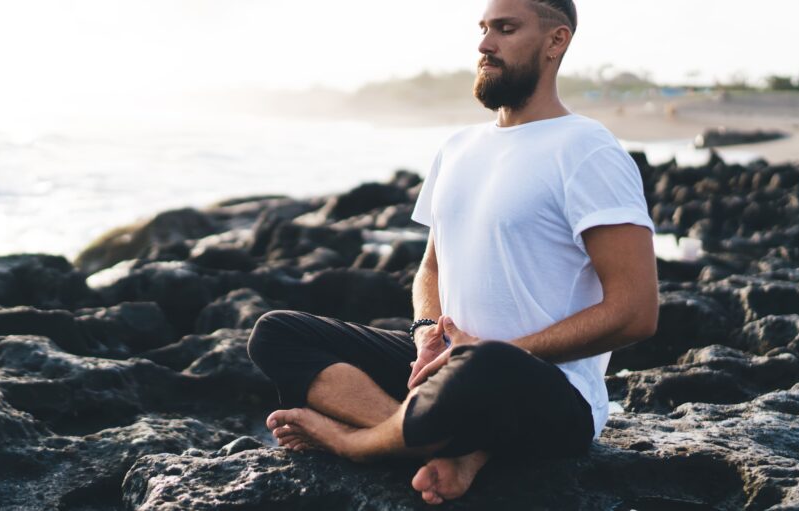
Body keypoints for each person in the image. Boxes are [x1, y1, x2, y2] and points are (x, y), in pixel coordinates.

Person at [247, 0, 659, 505]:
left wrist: (490, 352)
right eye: (484, 29)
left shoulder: (588, 150)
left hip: (543, 389)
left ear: (557, 41)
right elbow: (432, 268)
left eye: (506, 29)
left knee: (484, 366)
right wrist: (428, 338)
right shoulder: (459, 148)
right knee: (277, 333)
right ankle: (442, 445)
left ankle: (362, 443)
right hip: (448, 370)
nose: (485, 44)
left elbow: (636, 312)